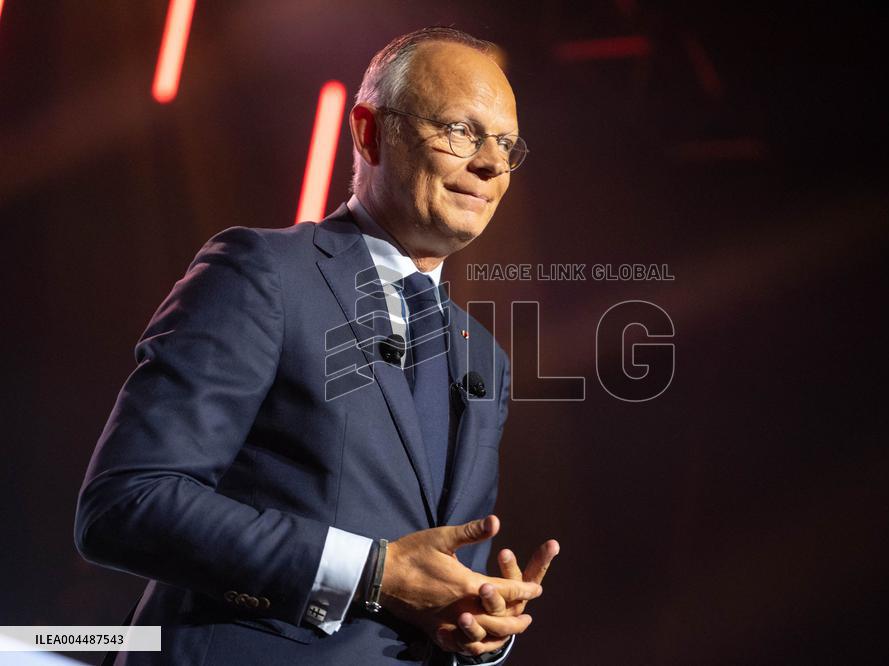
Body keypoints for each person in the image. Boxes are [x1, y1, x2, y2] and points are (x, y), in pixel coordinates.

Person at [74, 26, 559, 665]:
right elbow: (127, 503)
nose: (492, 163)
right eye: (461, 131)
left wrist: (479, 627)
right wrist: (371, 573)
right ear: (368, 133)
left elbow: (439, 581)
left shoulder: (484, 358)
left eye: (505, 144)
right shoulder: (262, 272)